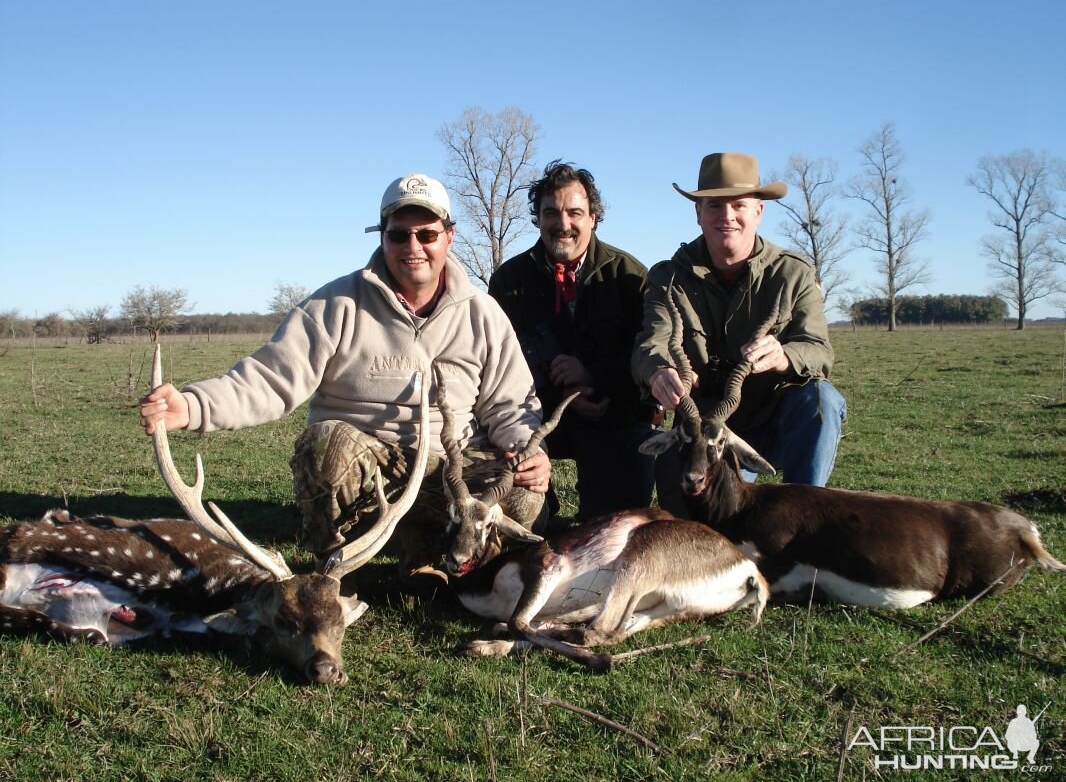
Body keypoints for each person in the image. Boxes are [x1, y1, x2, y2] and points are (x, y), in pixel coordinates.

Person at [139, 173, 551, 582]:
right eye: (398, 235)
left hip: (448, 478)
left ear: (449, 236)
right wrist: (192, 406)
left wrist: (527, 450)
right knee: (327, 444)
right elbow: (268, 379)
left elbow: (509, 404)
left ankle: (448, 560)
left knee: (524, 492)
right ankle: (336, 562)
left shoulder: (483, 313)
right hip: (366, 470)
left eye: (426, 235)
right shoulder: (334, 305)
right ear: (382, 237)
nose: (413, 247)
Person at [632, 152, 846, 517]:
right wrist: (657, 371)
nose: (726, 216)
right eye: (714, 206)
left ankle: (804, 517)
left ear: (758, 211)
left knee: (821, 400)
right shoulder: (668, 277)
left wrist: (784, 357)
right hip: (700, 433)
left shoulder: (792, 274)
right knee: (689, 532)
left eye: (738, 206)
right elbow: (651, 342)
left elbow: (819, 351)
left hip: (771, 422)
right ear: (698, 213)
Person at [489, 160, 655, 520]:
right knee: (525, 516)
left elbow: (646, 357)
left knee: (617, 528)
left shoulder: (630, 276)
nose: (563, 224)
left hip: (615, 415)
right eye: (551, 213)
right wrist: (561, 396)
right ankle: (538, 517)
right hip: (536, 417)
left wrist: (593, 378)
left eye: (574, 213)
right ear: (538, 218)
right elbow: (498, 368)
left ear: (593, 217)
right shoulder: (508, 282)